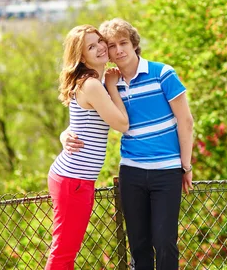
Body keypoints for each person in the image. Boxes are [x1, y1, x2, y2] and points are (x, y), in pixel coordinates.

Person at [61, 18, 194, 270]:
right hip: (131, 173)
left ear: (134, 44)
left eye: (123, 43)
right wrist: (64, 135)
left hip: (166, 171)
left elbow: (185, 121)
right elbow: (85, 116)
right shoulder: (108, 84)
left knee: (165, 242)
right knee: (138, 245)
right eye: (111, 45)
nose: (118, 50)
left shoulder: (162, 73)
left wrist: (185, 166)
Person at [46, 25, 130, 270]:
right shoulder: (93, 84)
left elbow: (77, 125)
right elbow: (122, 124)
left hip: (75, 179)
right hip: (74, 180)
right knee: (64, 253)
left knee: (66, 250)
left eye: (99, 41)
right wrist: (113, 86)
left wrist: (64, 135)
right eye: (91, 47)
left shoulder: (91, 82)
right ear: (81, 57)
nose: (101, 48)